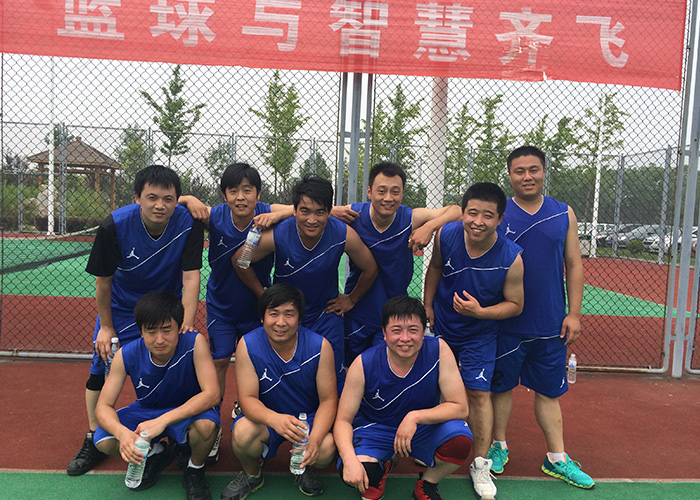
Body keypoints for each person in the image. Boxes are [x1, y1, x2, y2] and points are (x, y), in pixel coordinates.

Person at [68, 164, 204, 476]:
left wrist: (186, 320)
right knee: (99, 370)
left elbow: (191, 276)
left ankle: (182, 437)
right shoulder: (114, 225)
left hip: (164, 310)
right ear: (136, 198)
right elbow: (103, 282)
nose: (160, 205)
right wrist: (106, 327)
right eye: (151, 198)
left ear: (177, 200)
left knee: (182, 369)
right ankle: (93, 436)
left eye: (168, 199)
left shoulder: (189, 223)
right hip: (122, 310)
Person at [489, 146, 594, 489]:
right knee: (501, 388)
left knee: (548, 392)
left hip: (550, 321)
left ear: (544, 171)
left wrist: (574, 313)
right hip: (506, 321)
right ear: (510, 175)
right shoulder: (498, 213)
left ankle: (557, 457)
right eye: (519, 171)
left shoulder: (563, 213)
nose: (527, 176)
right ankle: (498, 446)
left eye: (533, 169)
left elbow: (574, 265)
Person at [423, 182, 524, 500]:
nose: (478, 222)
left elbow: (515, 304)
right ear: (463, 212)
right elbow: (435, 268)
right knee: (434, 389)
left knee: (479, 394)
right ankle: (430, 447)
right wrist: (427, 305)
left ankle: (480, 464)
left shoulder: (511, 257)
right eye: (472, 213)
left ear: (500, 219)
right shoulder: (446, 235)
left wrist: (481, 312)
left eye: (488, 215)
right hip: (443, 327)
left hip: (479, 334)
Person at [232, 175, 378, 386]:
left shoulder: (342, 233)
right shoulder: (280, 233)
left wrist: (351, 299)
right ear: (294, 210)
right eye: (305, 211)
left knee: (332, 380)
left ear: (329, 212)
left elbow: (370, 268)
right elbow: (241, 261)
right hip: (286, 317)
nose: (312, 220)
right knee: (285, 380)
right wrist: (262, 295)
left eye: (320, 212)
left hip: (325, 315)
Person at [335, 295, 472, 500]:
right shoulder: (363, 364)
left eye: (413, 330)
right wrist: (348, 460)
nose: (405, 338)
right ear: (384, 332)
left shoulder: (439, 350)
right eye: (396, 330)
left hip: (421, 428)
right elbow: (343, 420)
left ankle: (427, 483)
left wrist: (415, 417)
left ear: (424, 331)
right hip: (376, 428)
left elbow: (460, 407)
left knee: (460, 441)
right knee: (361, 472)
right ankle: (381, 465)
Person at [179, 163, 292, 398]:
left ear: (258, 194)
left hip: (257, 305)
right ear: (224, 195)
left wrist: (277, 215)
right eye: (233, 191)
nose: (240, 197)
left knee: (258, 360)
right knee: (219, 361)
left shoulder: (266, 211)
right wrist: (188, 198)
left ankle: (249, 409)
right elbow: (169, 200)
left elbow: (301, 208)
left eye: (247, 190)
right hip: (221, 306)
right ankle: (213, 412)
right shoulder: (215, 216)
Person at [331, 161, 462, 363]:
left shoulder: (409, 218)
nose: (388, 198)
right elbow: (313, 213)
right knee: (351, 368)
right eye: (381, 191)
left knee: (386, 370)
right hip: (357, 310)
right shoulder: (353, 215)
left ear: (402, 193)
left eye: (395, 192)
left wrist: (430, 227)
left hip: (393, 314)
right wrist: (330, 210)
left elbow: (457, 211)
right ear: (369, 192)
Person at [94, 291, 220, 500]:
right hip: (147, 409)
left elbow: (212, 394)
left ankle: (195, 468)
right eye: (151, 331)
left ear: (179, 327)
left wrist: (162, 421)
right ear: (141, 332)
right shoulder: (126, 354)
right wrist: (122, 434)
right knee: (104, 440)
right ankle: (156, 452)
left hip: (186, 409)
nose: (159, 339)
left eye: (167, 330)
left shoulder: (195, 342)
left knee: (207, 426)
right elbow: (103, 406)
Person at [221, 284, 337, 500]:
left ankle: (304, 467)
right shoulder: (247, 345)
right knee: (242, 433)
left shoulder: (320, 347)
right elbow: (247, 398)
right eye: (273, 314)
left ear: (299, 319)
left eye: (289, 314)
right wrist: (274, 419)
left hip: (307, 419)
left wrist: (314, 439)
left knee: (326, 449)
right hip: (268, 416)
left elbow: (329, 400)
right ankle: (252, 475)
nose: (281, 322)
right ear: (262, 317)